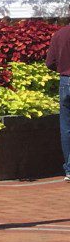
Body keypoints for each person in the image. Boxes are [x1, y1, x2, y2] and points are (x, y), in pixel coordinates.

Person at [47, 19, 70, 181]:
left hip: (65, 81)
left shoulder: (59, 34)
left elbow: (50, 63)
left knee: (66, 127)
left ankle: (69, 169)